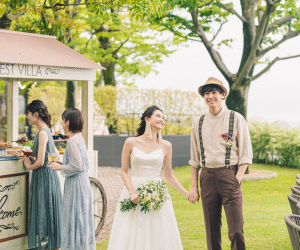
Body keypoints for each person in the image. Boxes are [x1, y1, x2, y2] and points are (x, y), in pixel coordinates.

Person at [108, 105, 188, 250]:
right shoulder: (130, 142)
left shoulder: (166, 146)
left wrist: (187, 194)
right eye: (158, 116)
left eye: (163, 117)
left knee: (157, 229)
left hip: (158, 193)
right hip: (134, 190)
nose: (162, 119)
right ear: (147, 119)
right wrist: (132, 192)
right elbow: (124, 172)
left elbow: (169, 176)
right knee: (130, 230)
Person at [188, 77, 253, 250]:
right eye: (207, 93)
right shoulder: (198, 122)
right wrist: (194, 187)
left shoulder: (236, 118)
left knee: (236, 230)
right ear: (203, 97)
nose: (210, 96)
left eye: (214, 92)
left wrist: (237, 177)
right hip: (207, 176)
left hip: (229, 175)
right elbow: (194, 158)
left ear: (223, 95)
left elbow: (246, 153)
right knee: (211, 230)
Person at [48, 108, 96, 250]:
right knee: (80, 218)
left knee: (74, 217)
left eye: (62, 120)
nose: (61, 123)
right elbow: (80, 164)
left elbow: (77, 166)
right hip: (82, 182)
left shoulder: (71, 141)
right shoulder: (80, 138)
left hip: (76, 184)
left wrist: (60, 168)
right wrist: (62, 164)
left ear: (68, 122)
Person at [23, 100, 62, 250]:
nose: (27, 116)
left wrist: (29, 165)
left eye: (28, 113)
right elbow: (56, 156)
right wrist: (44, 160)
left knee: (44, 211)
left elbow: (39, 162)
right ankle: (53, 246)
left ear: (36, 114)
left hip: (44, 178)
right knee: (48, 212)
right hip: (49, 177)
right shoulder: (47, 131)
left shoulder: (42, 133)